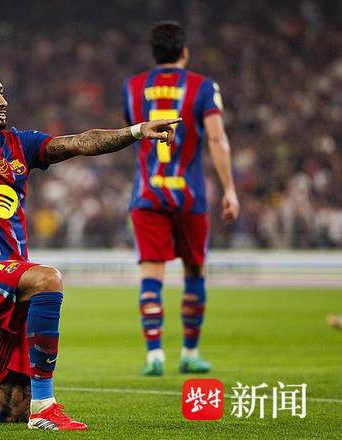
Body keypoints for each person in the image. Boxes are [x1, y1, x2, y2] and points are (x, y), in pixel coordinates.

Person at [0, 11, 179, 431]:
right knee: (47, 279)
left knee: (9, 409)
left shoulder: (19, 144)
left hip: (11, 279)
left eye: (2, 92)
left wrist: (135, 131)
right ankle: (46, 407)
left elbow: (80, 142)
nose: (2, 100)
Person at [121, 21, 240, 376]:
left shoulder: (132, 87)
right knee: (194, 270)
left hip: (147, 193)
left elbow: (134, 131)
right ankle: (189, 352)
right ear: (184, 51)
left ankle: (154, 355)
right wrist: (229, 188)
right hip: (190, 194)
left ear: (154, 52)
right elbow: (216, 138)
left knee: (151, 272)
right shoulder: (203, 86)